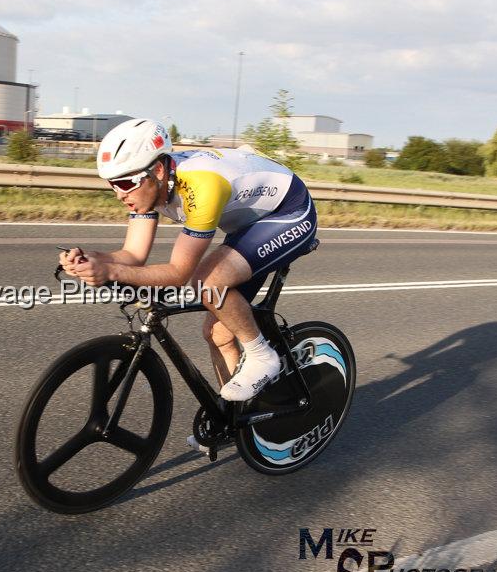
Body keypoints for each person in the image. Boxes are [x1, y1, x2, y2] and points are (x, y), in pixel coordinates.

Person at [60, 118, 317, 417]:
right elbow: (133, 255)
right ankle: (236, 419)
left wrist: (112, 273)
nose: (119, 194)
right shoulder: (150, 188)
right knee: (219, 333)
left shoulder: (200, 185)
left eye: (125, 183)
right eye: (112, 184)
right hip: (248, 222)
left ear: (156, 170)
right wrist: (92, 259)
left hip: (291, 213)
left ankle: (263, 357)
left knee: (207, 283)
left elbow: (180, 273)